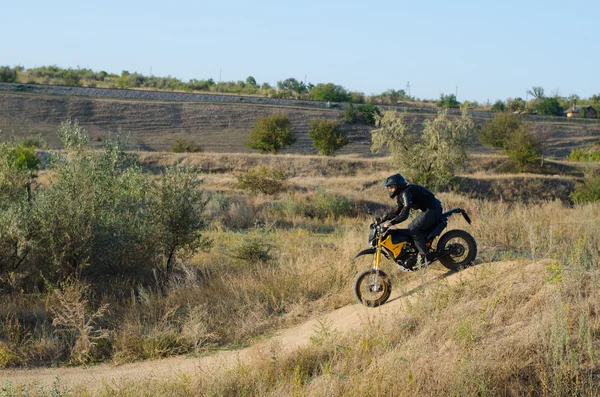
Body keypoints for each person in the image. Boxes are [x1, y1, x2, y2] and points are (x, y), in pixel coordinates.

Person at [379, 173, 443, 266]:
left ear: (398, 186)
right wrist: (383, 219)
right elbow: (396, 212)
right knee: (411, 228)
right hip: (428, 209)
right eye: (389, 188)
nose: (390, 190)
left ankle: (425, 255)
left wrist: (390, 223)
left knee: (414, 229)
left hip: (433, 209)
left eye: (392, 187)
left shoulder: (406, 193)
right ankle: (418, 249)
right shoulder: (401, 195)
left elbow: (404, 215)